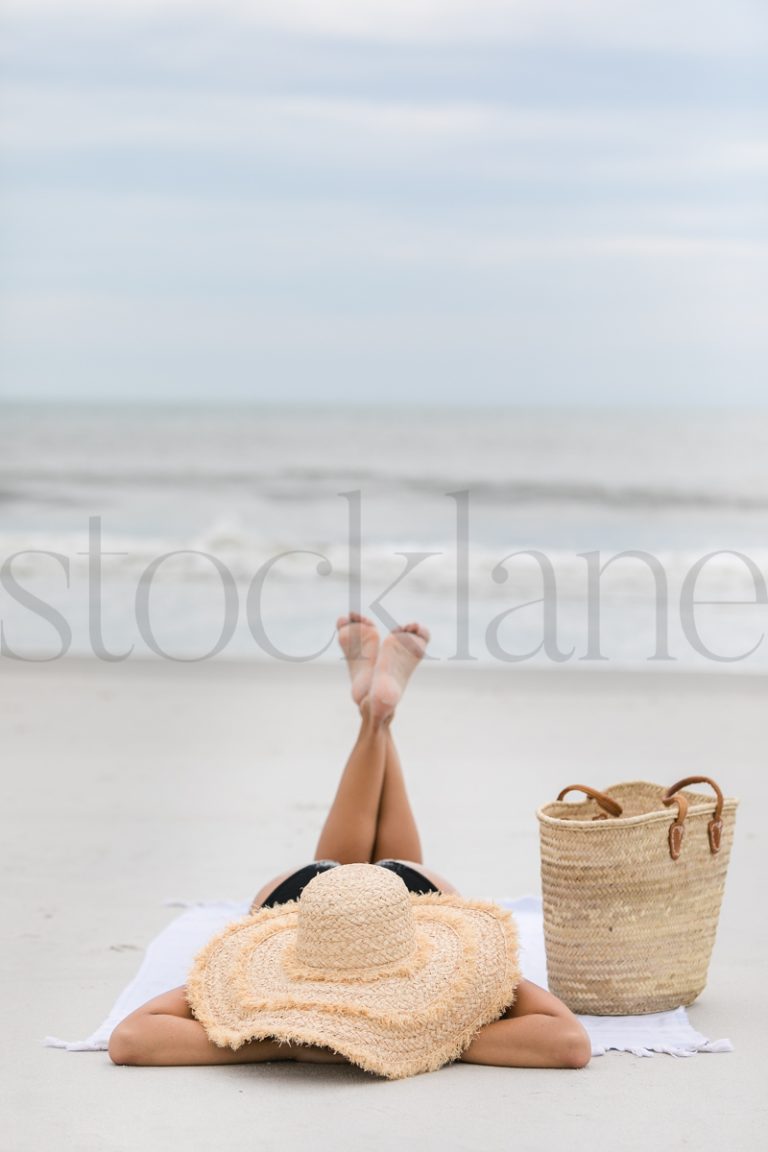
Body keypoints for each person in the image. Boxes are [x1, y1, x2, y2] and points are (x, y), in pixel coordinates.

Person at [108, 615, 591, 1077]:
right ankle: (377, 716)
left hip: (304, 907)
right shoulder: (449, 989)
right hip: (390, 904)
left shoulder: (263, 997)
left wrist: (288, 1043)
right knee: (386, 868)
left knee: (354, 870)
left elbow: (133, 1037)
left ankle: (374, 716)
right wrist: (422, 1035)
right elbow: (568, 1042)